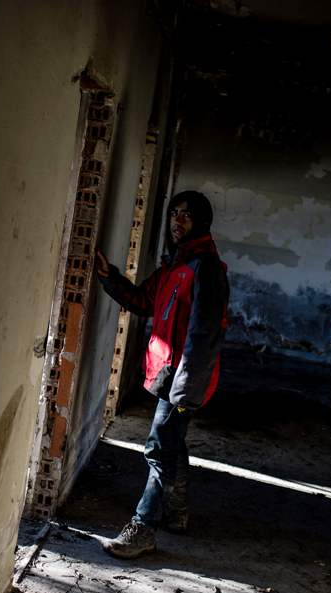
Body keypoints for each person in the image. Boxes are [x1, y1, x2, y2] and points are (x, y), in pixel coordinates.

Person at [94, 190, 229, 559]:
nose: (177, 221)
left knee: (159, 446)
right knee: (171, 443)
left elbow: (205, 334)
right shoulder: (176, 264)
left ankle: (144, 527)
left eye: (186, 215)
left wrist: (186, 387)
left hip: (183, 378)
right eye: (173, 213)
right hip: (167, 372)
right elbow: (143, 302)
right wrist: (111, 278)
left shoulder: (206, 268)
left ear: (200, 222)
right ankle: (178, 513)